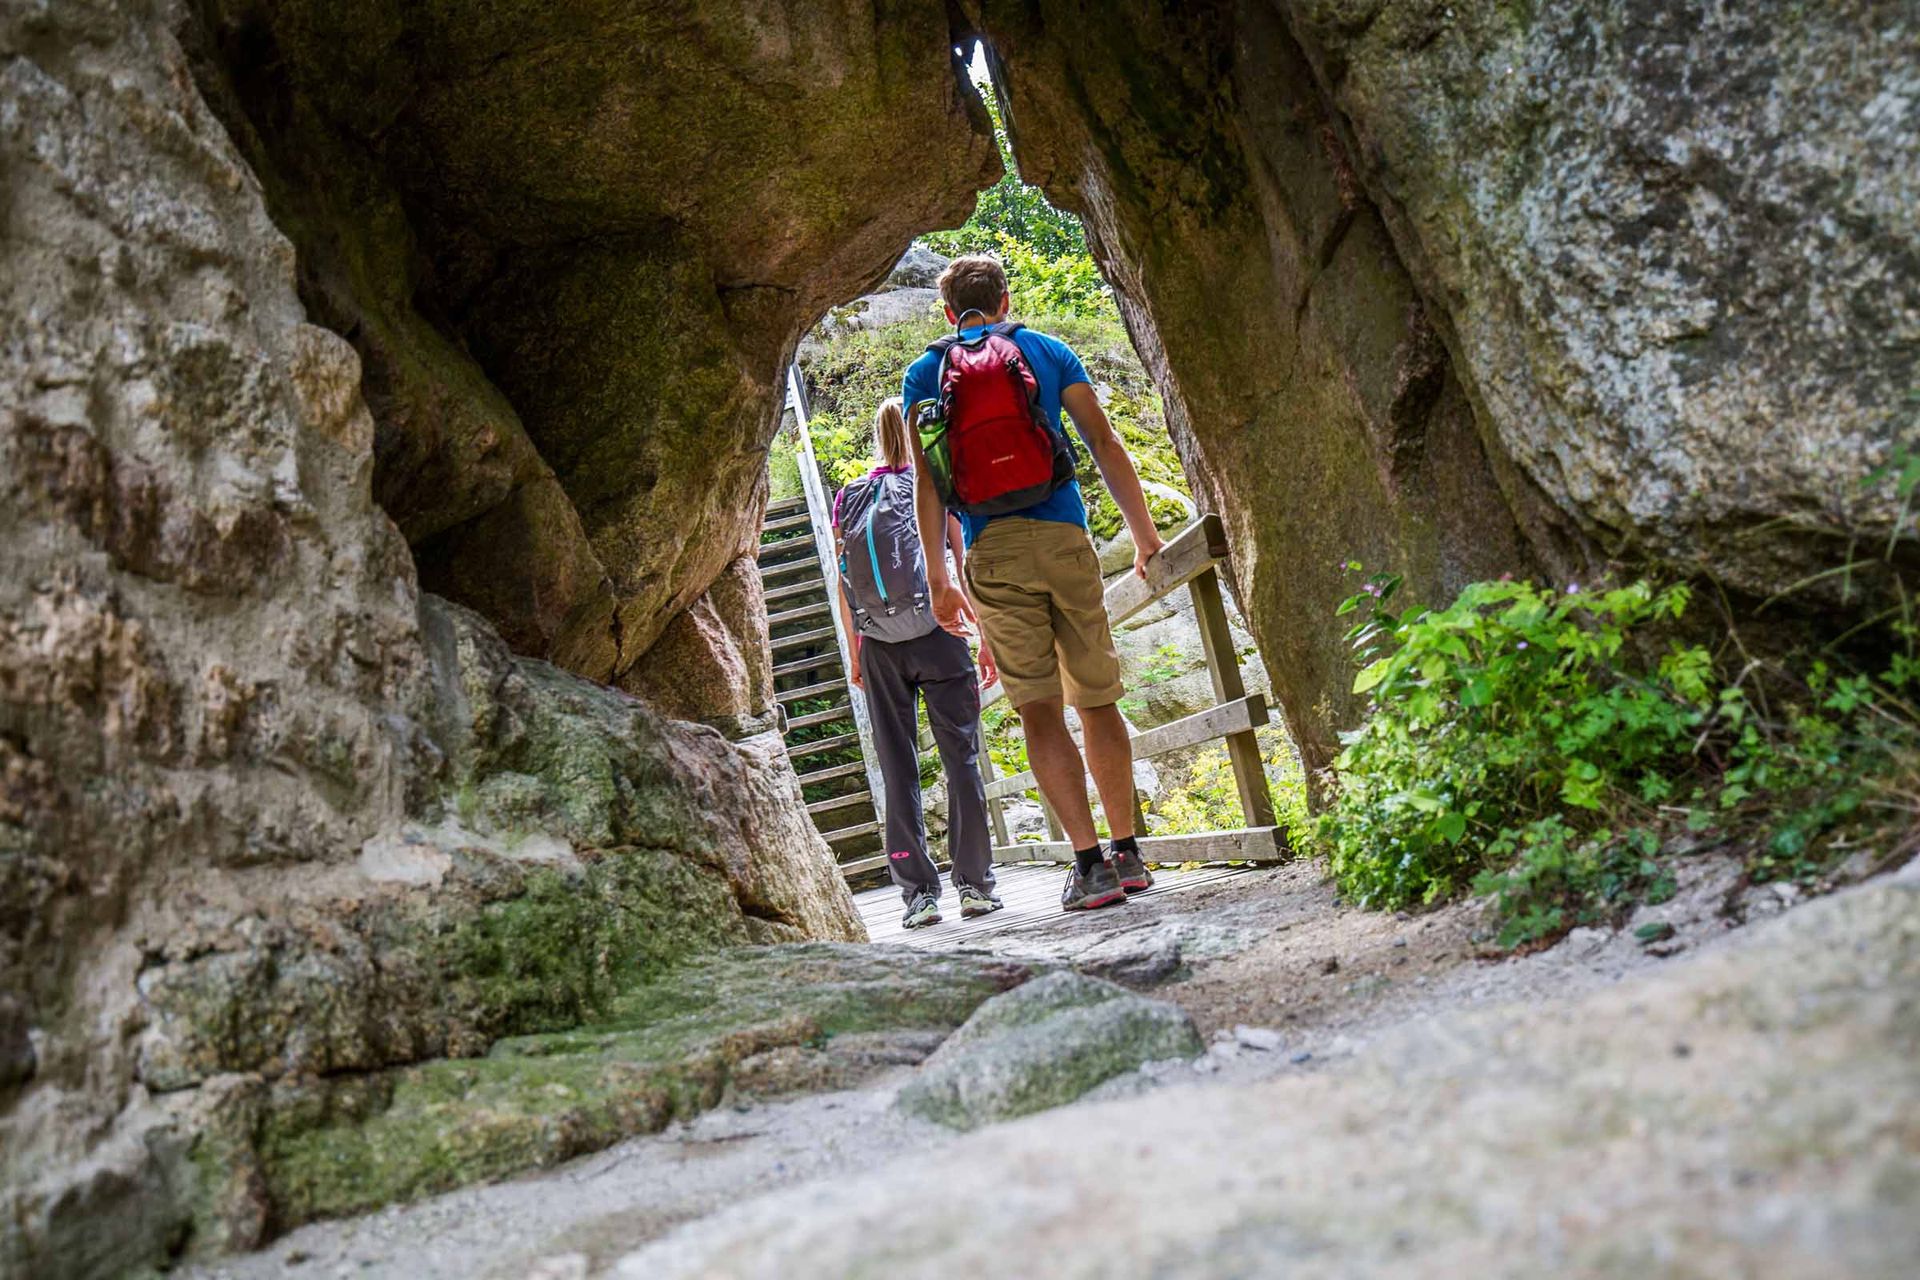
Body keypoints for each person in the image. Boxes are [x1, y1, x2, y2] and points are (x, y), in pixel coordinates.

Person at [902, 254, 1166, 913]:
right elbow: (1102, 442)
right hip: (1064, 538)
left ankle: (1088, 866)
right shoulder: (1044, 350)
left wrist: (939, 576)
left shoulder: (924, 374)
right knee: (1097, 700)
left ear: (946, 311)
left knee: (1039, 708)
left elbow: (929, 485)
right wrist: (1145, 536)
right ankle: (1127, 853)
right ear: (1005, 298)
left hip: (992, 551)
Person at [833, 397, 1002, 930]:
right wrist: (982, 633)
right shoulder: (934, 486)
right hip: (941, 632)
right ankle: (974, 885)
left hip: (880, 644)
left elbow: (843, 581)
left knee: (898, 768)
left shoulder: (850, 497)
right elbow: (959, 560)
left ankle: (917, 897)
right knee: (961, 759)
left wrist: (857, 649)